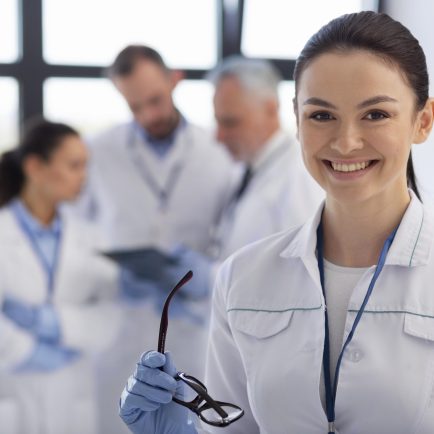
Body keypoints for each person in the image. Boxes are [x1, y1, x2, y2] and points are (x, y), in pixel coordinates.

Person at [118, 10, 434, 434]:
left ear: (423, 121)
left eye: (375, 114)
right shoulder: (242, 277)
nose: (346, 142)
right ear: (297, 120)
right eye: (321, 115)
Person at [72, 45, 237, 434]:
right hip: (121, 329)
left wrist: (204, 276)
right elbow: (75, 237)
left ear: (174, 80)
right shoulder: (98, 152)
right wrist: (112, 278)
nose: (149, 115)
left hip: (192, 328)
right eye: (135, 107)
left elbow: (233, 240)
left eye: (155, 100)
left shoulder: (218, 152)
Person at [0, 118, 121, 434]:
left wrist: (53, 323)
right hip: (11, 390)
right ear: (35, 168)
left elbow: (111, 317)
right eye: (74, 166)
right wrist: (29, 352)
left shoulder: (92, 237)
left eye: (85, 166)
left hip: (74, 396)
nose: (84, 177)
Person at [171, 56, 323, 279]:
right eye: (218, 122)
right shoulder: (246, 171)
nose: (219, 136)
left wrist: (212, 278)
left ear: (271, 109)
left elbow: (301, 275)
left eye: (231, 123)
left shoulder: (300, 175)